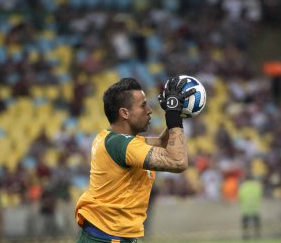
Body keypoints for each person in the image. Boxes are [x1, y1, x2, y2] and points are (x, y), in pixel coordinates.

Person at [75, 77, 195, 242]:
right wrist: (173, 115)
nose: (149, 110)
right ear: (124, 113)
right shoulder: (123, 145)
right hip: (108, 238)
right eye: (143, 105)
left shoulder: (111, 137)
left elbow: (162, 142)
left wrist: (176, 113)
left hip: (108, 234)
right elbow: (178, 162)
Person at [238, 173, 263, 240]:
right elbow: (259, 195)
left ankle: (246, 238)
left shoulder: (243, 186)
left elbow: (240, 197)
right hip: (255, 208)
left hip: (245, 209)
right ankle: (257, 237)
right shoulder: (256, 186)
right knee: (256, 225)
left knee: (245, 226)